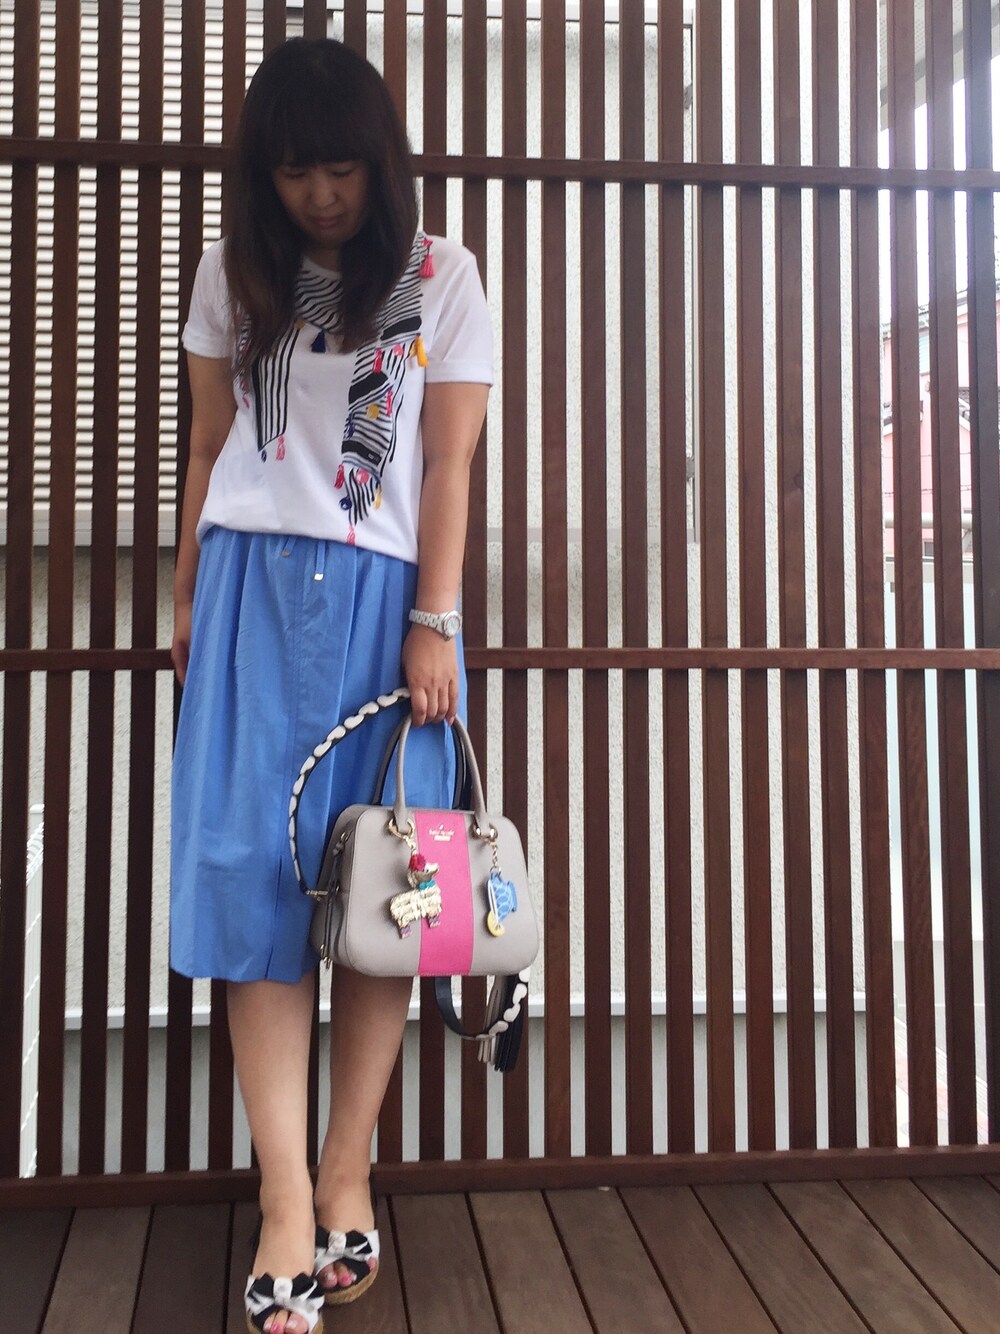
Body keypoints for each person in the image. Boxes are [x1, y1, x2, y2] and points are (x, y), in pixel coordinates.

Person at [169, 37, 492, 1334]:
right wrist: (185, 597)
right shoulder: (231, 274)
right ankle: (286, 1195)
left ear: (380, 162)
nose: (320, 193)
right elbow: (208, 446)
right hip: (247, 594)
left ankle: (351, 1164)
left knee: (390, 894)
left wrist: (435, 622)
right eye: (295, 170)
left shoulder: (443, 275)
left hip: (386, 607)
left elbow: (450, 465)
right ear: (265, 174)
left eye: (342, 167)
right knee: (252, 877)